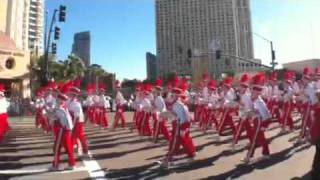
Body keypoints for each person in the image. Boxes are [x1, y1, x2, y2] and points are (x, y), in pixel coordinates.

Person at [160, 78, 196, 168]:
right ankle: (191, 153)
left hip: (179, 126)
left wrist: (183, 128)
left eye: (175, 95)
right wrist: (166, 115)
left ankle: (167, 160)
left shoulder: (179, 105)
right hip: (176, 125)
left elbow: (185, 118)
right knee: (182, 141)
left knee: (174, 144)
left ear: (178, 95)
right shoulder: (174, 103)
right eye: (173, 94)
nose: (173, 96)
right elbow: (173, 114)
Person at [243, 73, 271, 163]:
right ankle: (266, 154)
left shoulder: (260, 102)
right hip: (256, 121)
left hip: (260, 122)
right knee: (261, 139)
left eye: (253, 91)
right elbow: (250, 110)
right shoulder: (253, 100)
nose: (251, 92)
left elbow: (267, 115)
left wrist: (264, 125)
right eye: (251, 90)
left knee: (254, 139)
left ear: (258, 92)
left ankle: (248, 156)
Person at [50, 83, 76, 171]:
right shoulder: (62, 107)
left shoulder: (60, 108)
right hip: (65, 130)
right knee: (67, 147)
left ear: (61, 100)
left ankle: (56, 165)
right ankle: (71, 164)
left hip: (63, 131)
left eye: (58, 98)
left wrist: (51, 115)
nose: (56, 99)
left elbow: (59, 119)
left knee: (57, 148)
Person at [68, 81, 91, 159]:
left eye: (70, 93)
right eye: (69, 93)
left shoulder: (76, 104)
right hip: (72, 121)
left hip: (78, 121)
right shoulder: (68, 101)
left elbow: (76, 117)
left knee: (80, 136)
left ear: (74, 95)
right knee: (72, 136)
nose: (68, 94)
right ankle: (73, 150)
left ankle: (86, 152)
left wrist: (72, 126)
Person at [310, 90, 320, 180]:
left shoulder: (316, 108)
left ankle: (314, 171)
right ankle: (316, 175)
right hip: (318, 136)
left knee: (318, 154)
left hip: (315, 136)